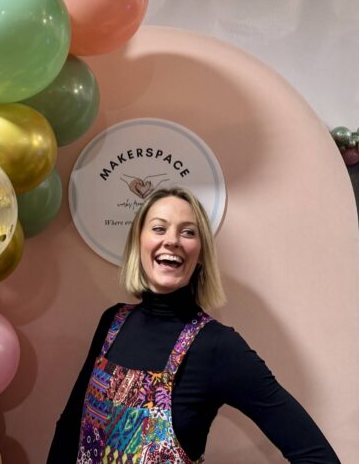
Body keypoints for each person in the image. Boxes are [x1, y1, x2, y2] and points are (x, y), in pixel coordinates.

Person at [47, 186, 339, 463]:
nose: (172, 240)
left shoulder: (216, 346)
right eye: (159, 228)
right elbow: (70, 426)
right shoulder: (112, 322)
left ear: (200, 256)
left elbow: (315, 455)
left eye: (188, 232)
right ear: (139, 242)